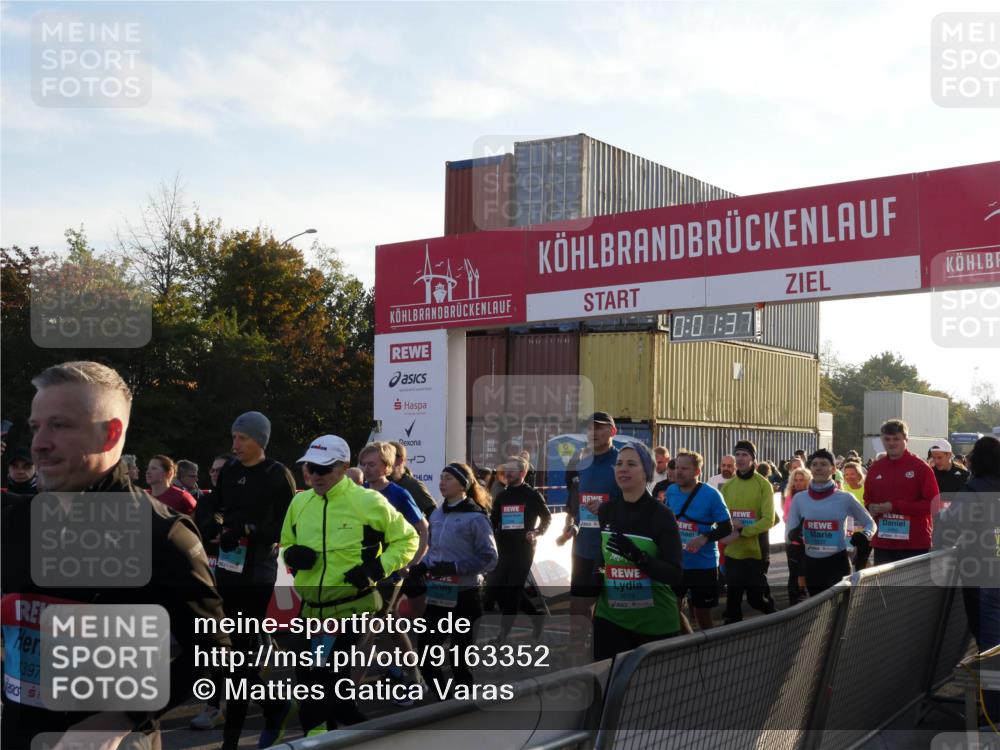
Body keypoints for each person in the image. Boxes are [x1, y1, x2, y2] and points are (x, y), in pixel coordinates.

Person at [1, 361, 229, 750]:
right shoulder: (16, 520)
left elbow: (213, 650)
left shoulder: (162, 534)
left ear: (110, 434)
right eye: (36, 427)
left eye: (59, 425)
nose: (39, 443)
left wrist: (119, 718)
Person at [281, 435, 419, 734]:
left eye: (323, 469)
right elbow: (286, 544)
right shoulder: (300, 501)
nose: (314, 475)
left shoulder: (367, 500)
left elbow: (409, 539)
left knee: (317, 696)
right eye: (309, 468)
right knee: (326, 695)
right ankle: (377, 739)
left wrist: (375, 569)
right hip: (311, 614)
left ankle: (316, 741)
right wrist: (291, 555)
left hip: (352, 612)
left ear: (343, 468)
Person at [213, 411, 297, 749]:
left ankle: (231, 739)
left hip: (257, 574)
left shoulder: (278, 475)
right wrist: (217, 527)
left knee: (239, 655)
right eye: (233, 437)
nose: (235, 444)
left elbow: (288, 526)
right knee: (227, 654)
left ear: (259, 440)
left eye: (242, 438)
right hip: (228, 571)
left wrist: (250, 533)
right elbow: (214, 506)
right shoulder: (230, 471)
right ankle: (274, 706)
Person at [409, 462, 497, 698]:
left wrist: (456, 567)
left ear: (463, 484)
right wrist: (420, 567)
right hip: (439, 594)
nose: (442, 482)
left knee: (459, 660)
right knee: (426, 654)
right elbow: (436, 551)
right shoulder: (437, 514)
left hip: (466, 595)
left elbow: (490, 558)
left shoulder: (476, 517)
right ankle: (444, 700)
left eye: (448, 478)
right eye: (441, 477)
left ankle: (463, 704)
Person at [593, 442, 683, 659]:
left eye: (631, 464)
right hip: (610, 618)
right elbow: (603, 558)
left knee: (651, 692)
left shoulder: (661, 515)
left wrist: (638, 557)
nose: (623, 469)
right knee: (608, 688)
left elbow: (674, 573)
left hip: (654, 623)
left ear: (646, 472)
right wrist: (596, 574)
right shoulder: (607, 511)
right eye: (619, 464)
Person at [935, 435, 1000, 726]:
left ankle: (993, 712)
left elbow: (953, 522)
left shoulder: (974, 489)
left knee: (988, 644)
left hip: (982, 572)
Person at [357, 441, 429, 703]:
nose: (367, 469)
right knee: (391, 624)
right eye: (364, 464)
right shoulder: (360, 492)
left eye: (372, 464)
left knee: (369, 627)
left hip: (391, 572)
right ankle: (411, 674)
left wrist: (410, 564)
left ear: (387, 466)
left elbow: (423, 528)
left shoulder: (398, 493)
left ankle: (348, 693)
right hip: (367, 570)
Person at [555, 412, 623, 658]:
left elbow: (635, 500)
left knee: (613, 606)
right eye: (590, 428)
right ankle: (576, 650)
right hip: (584, 545)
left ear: (612, 432)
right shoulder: (579, 460)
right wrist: (569, 523)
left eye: (600, 428)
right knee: (579, 603)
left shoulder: (623, 461)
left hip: (614, 547)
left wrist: (609, 508)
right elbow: (574, 498)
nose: (593, 432)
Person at [786, 449, 876, 595]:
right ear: (810, 468)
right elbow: (789, 533)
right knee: (819, 612)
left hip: (837, 563)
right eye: (814, 464)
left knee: (840, 611)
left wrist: (865, 535)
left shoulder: (845, 498)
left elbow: (870, 523)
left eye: (823, 464)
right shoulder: (799, 499)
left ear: (833, 469)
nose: (818, 467)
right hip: (811, 564)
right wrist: (792, 536)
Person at [190, 452, 233, 731]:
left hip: (244, 581)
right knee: (214, 645)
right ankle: (214, 706)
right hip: (211, 577)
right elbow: (202, 532)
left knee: (237, 647)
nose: (215, 474)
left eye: (221, 470)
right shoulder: (206, 501)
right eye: (213, 470)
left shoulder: (246, 499)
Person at [665, 451, 732, 630]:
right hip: (678, 563)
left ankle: (708, 649)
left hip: (703, 564)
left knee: (701, 613)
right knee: (671, 608)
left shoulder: (712, 495)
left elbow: (727, 527)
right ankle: (689, 642)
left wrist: (705, 537)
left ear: (697, 471)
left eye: (684, 468)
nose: (678, 472)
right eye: (677, 467)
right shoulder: (671, 491)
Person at [488, 455, 551, 640]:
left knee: (513, 590)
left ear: (522, 473)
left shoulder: (532, 495)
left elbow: (547, 518)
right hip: (503, 548)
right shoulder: (502, 496)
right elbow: (493, 521)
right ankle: (536, 616)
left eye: (511, 470)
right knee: (500, 589)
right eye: (506, 470)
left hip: (524, 549)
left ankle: (502, 636)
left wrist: (537, 532)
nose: (507, 473)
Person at [865, 419, 941, 565]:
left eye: (896, 439)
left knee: (913, 588)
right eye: (887, 439)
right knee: (886, 588)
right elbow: (867, 499)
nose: (892, 443)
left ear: (906, 440)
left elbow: (934, 505)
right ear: (882, 440)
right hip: (884, 543)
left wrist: (895, 506)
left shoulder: (921, 467)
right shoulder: (875, 468)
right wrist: (870, 507)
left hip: (914, 544)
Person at [719, 440, 776, 624]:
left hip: (756, 552)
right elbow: (722, 518)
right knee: (733, 605)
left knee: (755, 600)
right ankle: (730, 646)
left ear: (752, 458)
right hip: (733, 553)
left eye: (745, 455)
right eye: (738, 455)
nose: (740, 459)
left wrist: (743, 531)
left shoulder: (763, 485)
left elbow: (769, 519)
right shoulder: (728, 486)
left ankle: (775, 615)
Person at [783, 466, 812, 605]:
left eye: (802, 480)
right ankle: (794, 601)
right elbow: (786, 517)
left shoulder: (812, 496)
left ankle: (804, 597)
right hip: (793, 541)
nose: (798, 482)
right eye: (796, 480)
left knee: (805, 572)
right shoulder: (790, 497)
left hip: (810, 541)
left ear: (808, 481)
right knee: (794, 573)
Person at [389, 440, 437, 518]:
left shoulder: (413, 485)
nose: (384, 461)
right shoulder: (375, 484)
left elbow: (433, 515)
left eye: (388, 457)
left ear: (399, 460)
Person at [929, 439, 971, 504]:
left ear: (949, 455)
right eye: (934, 458)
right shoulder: (930, 473)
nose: (936, 461)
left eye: (939, 457)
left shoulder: (964, 474)